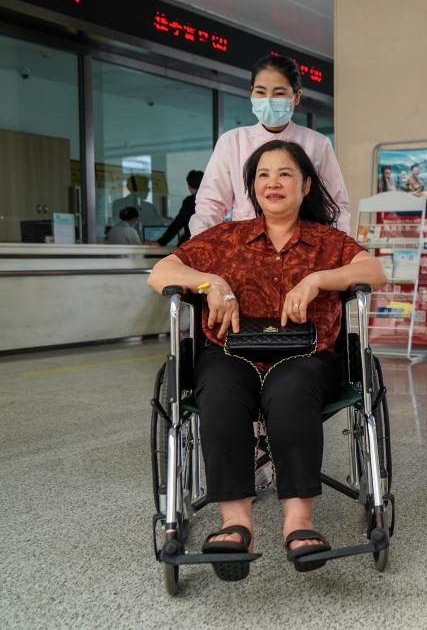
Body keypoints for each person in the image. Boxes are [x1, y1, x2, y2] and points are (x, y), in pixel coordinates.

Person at [147, 140, 386, 580]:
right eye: (263, 175)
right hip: (230, 353)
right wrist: (211, 283)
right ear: (252, 187)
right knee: (220, 389)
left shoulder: (327, 241)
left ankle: (299, 521)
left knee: (290, 388)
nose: (272, 183)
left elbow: (375, 272)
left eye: (285, 173)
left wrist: (318, 280)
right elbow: (161, 273)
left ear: (306, 185)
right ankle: (236, 523)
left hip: (308, 356)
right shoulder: (226, 238)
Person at [191, 55, 351, 236]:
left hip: (303, 245)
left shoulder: (317, 144)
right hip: (246, 245)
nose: (268, 100)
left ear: (297, 96)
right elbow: (210, 205)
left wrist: (339, 247)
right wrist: (200, 246)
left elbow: (335, 206)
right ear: (251, 92)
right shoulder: (232, 142)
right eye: (260, 92)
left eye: (279, 93)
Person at [146, 170, 203, 247]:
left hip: (193, 246)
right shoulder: (213, 200)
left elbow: (177, 224)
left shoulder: (190, 201)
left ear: (189, 186)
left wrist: (161, 242)